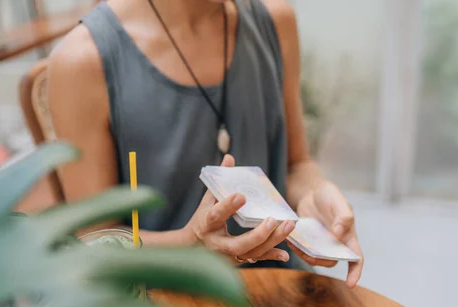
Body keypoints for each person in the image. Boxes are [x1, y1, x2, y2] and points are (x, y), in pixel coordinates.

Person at [48, 0, 364, 288]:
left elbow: (297, 164)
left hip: (280, 289)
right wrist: (188, 245)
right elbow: (95, 241)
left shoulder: (274, 19)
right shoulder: (82, 60)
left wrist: (313, 194)